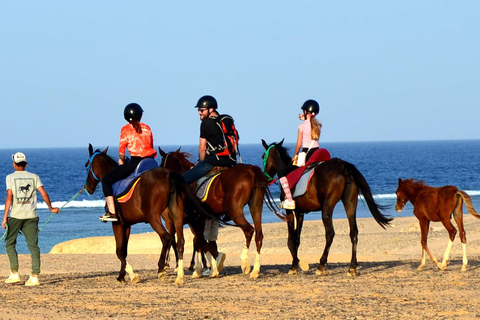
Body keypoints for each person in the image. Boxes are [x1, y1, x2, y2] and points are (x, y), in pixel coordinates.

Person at [183, 95, 234, 275]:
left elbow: (202, 148)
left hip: (212, 162)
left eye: (201, 110)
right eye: (199, 110)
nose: (199, 113)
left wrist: (202, 163)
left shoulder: (205, 124)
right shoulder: (226, 120)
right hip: (231, 162)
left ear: (210, 109)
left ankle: (191, 212)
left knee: (182, 181)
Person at [2, 152, 60, 286]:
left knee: (10, 243)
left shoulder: (10, 177)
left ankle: (15, 273)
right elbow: (44, 193)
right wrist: (51, 208)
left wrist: (4, 218)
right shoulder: (34, 177)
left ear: (14, 164)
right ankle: (34, 276)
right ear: (26, 164)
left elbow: (9, 198)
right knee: (33, 246)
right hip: (31, 216)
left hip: (16, 216)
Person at [99, 103, 157, 222]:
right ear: (140, 116)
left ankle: (112, 212)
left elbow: (121, 152)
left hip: (136, 162)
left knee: (106, 180)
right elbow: (150, 145)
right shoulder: (147, 127)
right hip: (151, 162)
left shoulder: (125, 129)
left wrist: (121, 161)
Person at [280, 99, 322, 210]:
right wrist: (305, 118)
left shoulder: (302, 126)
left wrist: (296, 155)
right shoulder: (319, 124)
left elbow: (299, 144)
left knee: (283, 172)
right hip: (317, 153)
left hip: (306, 154)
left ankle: (289, 200)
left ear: (305, 111)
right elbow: (312, 121)